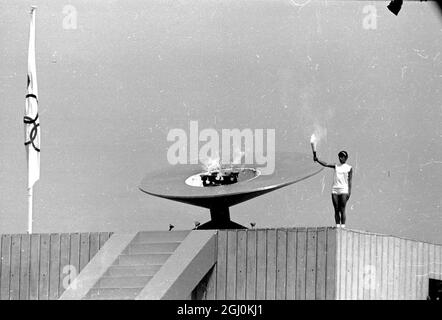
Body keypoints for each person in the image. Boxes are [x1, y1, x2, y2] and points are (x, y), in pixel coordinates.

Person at [314, 151, 353, 228]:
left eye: (343, 157)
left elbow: (350, 181)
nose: (341, 158)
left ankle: (343, 227)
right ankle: (338, 226)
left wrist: (349, 192)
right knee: (336, 209)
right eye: (340, 156)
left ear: (346, 158)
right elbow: (326, 164)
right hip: (335, 189)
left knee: (342, 209)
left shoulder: (349, 168)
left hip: (344, 190)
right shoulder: (336, 166)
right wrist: (317, 160)